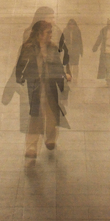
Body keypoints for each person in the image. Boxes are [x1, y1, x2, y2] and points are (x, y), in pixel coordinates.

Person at [15, 20, 70, 158]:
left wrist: (64, 76)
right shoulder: (28, 48)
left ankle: (50, 138)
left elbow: (57, 66)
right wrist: (20, 76)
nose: (51, 35)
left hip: (50, 85)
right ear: (39, 34)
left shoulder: (52, 48)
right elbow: (21, 64)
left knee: (51, 113)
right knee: (35, 116)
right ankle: (31, 146)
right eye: (48, 32)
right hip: (35, 86)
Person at [92, 18, 110, 85]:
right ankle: (108, 78)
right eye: (109, 24)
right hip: (106, 50)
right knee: (108, 64)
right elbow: (99, 38)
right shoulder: (104, 30)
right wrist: (95, 46)